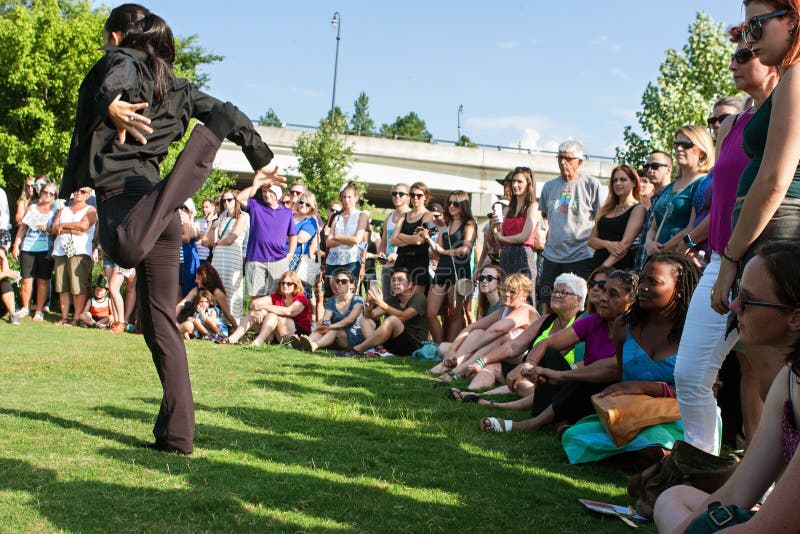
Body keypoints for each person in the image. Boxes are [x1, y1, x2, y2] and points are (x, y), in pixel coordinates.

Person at [59, 4, 278, 455]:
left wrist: (111, 106)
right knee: (159, 323)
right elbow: (229, 112)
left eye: (107, 39)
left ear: (117, 35)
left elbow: (110, 82)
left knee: (122, 248)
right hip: (162, 215)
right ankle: (177, 436)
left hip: (130, 205)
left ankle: (181, 181)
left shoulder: (119, 60)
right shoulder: (175, 86)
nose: (105, 47)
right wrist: (262, 156)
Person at [676, 24, 780, 455]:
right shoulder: (732, 125)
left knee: (776, 382)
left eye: (745, 55)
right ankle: (702, 467)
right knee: (692, 374)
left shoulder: (782, 115)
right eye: (734, 56)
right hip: (721, 259)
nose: (734, 63)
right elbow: (722, 201)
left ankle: (766, 488)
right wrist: (691, 240)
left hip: (761, 263)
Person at [654, 242, 800, 534]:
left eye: (748, 300)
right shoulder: (789, 378)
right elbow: (738, 492)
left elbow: (769, 527)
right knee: (674, 497)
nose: (734, 307)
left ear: (795, 317)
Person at [712, 0, 800, 399]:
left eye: (756, 27)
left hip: (776, 236)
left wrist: (731, 259)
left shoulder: (797, 75)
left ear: (792, 18)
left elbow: (774, 179)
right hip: (775, 236)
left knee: (780, 390)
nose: (750, 39)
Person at [562, 253, 700, 465]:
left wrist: (646, 388)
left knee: (654, 447)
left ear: (679, 290)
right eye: (642, 279)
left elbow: (706, 393)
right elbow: (620, 370)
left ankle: (644, 453)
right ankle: (639, 453)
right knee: (573, 437)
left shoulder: (693, 334)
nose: (643, 287)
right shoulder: (624, 325)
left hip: (678, 417)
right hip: (630, 413)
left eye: (653, 282)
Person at [480, 270, 637, 433]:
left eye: (613, 294)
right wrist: (528, 367)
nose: (603, 297)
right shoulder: (593, 321)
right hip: (578, 387)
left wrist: (558, 375)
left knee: (582, 378)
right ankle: (558, 422)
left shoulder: (634, 330)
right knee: (550, 356)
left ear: (631, 301)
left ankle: (532, 424)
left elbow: (612, 369)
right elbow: (547, 343)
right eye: (604, 291)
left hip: (609, 394)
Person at [450, 273, 587, 400]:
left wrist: (523, 369)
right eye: (555, 290)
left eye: (563, 292)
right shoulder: (547, 319)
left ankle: (477, 396)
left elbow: (552, 355)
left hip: (551, 376)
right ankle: (469, 391)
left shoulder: (581, 323)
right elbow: (514, 345)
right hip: (526, 370)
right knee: (492, 366)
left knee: (526, 385)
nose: (556, 295)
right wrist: (481, 362)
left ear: (578, 300)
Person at [430, 273, 539, 383]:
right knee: (472, 334)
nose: (506, 294)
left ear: (524, 295)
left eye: (512, 291)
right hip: (498, 353)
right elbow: (471, 327)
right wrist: (452, 350)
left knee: (500, 336)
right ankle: (447, 365)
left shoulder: (527, 311)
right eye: (505, 289)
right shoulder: (504, 310)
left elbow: (497, 330)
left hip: (522, 358)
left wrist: (471, 350)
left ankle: (457, 371)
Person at [538, 139, 602, 299]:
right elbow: (544, 216)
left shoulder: (591, 184)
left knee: (577, 302)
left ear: (579, 162)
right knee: (548, 300)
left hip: (580, 254)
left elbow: (600, 218)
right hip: (552, 255)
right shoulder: (549, 186)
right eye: (560, 158)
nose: (562, 162)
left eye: (567, 158)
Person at [644, 126, 714, 259]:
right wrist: (649, 242)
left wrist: (662, 250)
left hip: (677, 259)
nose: (678, 149)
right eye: (676, 144)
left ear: (701, 152)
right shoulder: (670, 186)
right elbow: (654, 224)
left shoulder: (704, 183)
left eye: (686, 145)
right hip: (653, 258)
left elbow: (692, 226)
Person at [422, 190, 477, 343]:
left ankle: (450, 350)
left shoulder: (469, 223)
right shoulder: (444, 223)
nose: (451, 206)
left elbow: (466, 249)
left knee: (454, 313)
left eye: (456, 203)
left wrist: (445, 251)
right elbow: (438, 249)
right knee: (431, 312)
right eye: (449, 203)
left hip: (459, 271)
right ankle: (440, 346)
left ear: (463, 205)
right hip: (442, 269)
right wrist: (428, 239)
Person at [340, 266, 427, 356]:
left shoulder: (419, 298)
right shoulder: (392, 300)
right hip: (394, 343)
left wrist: (381, 303)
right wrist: (369, 307)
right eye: (393, 280)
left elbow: (403, 316)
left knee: (392, 320)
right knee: (364, 320)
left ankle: (358, 349)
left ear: (410, 284)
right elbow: (371, 316)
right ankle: (379, 350)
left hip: (415, 345)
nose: (395, 283)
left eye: (400, 280)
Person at [236, 181, 296, 300]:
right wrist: (258, 184)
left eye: (270, 191)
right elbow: (239, 198)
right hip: (255, 259)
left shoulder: (287, 212)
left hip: (278, 259)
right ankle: (257, 319)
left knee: (279, 297)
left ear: (277, 194)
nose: (267, 195)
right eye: (264, 191)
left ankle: (272, 319)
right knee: (256, 298)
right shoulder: (255, 205)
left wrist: (290, 254)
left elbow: (292, 235)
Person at [493, 167, 546, 303]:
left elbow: (525, 236)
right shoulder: (507, 208)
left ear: (529, 184)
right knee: (507, 300)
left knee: (524, 300)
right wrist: (495, 230)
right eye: (513, 182)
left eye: (520, 182)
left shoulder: (533, 206)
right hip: (506, 256)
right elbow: (498, 242)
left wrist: (502, 238)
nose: (515, 185)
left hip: (523, 256)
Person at [11, 181, 58, 321]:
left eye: (51, 194)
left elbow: (57, 231)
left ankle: (39, 310)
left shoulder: (56, 211)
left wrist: (47, 229)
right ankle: (25, 307)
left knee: (43, 280)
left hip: (46, 249)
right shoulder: (31, 207)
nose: (47, 195)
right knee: (26, 279)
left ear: (54, 196)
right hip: (28, 247)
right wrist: (16, 245)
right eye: (45, 192)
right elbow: (23, 228)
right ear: (41, 192)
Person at [51, 187, 97, 326]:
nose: (78, 193)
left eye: (82, 191)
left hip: (80, 250)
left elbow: (83, 226)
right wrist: (73, 229)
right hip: (61, 250)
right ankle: (64, 317)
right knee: (62, 285)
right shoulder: (63, 209)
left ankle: (76, 317)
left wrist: (63, 226)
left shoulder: (91, 210)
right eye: (76, 190)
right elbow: (54, 227)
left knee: (78, 286)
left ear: (88, 194)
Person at [226, 271, 311, 346]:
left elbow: (289, 312)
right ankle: (233, 338)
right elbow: (253, 304)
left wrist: (264, 308)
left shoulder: (300, 298)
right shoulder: (277, 296)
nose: (285, 285)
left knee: (272, 315)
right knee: (253, 313)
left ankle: (258, 341)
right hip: (277, 333)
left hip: (297, 334)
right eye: (282, 283)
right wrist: (259, 311)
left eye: (289, 284)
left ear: (295, 286)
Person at [589, 165, 647, 270]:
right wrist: (607, 244)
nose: (618, 183)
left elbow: (624, 246)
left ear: (634, 183)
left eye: (623, 179)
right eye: (615, 180)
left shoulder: (638, 208)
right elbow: (591, 241)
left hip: (618, 269)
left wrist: (602, 269)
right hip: (596, 263)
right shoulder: (606, 208)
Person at [293, 268, 365, 353]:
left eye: (344, 281)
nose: (340, 284)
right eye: (337, 281)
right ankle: (303, 344)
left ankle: (314, 345)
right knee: (320, 330)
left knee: (333, 330)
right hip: (334, 334)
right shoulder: (332, 300)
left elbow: (350, 320)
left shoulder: (358, 300)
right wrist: (323, 324)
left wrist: (329, 327)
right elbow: (326, 318)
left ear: (352, 285)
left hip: (353, 337)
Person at [204, 189, 248, 324]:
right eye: (224, 200)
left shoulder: (243, 216)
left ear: (236, 201)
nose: (226, 203)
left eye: (229, 200)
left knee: (231, 289)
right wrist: (212, 224)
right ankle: (216, 321)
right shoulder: (221, 217)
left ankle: (233, 323)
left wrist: (218, 243)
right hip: (218, 257)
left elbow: (232, 238)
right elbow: (209, 241)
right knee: (217, 286)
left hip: (233, 256)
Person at [634, 152, 675, 271]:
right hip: (642, 268)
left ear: (669, 170)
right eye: (647, 167)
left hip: (661, 269)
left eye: (655, 166)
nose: (650, 170)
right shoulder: (654, 200)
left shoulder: (674, 197)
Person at [392, 182, 434, 293]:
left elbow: (419, 240)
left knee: (416, 300)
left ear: (425, 197)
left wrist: (401, 236)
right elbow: (393, 240)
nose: (415, 198)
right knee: (399, 297)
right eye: (412, 195)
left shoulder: (428, 215)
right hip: (401, 259)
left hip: (419, 260)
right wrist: (411, 239)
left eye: (419, 195)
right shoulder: (403, 215)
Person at [324, 182, 369, 284]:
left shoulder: (362, 216)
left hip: (351, 262)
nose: (346, 200)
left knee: (348, 294)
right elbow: (328, 243)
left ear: (356, 197)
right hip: (333, 260)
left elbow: (358, 240)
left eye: (349, 197)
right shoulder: (336, 217)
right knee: (332, 295)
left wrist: (338, 236)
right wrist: (349, 240)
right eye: (344, 197)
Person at [176, 263, 238, 330]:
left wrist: (238, 329)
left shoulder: (217, 293)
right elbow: (181, 305)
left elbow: (227, 313)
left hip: (208, 324)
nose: (195, 281)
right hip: (193, 322)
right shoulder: (196, 290)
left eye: (198, 279)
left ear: (205, 279)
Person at [378, 183, 411, 301]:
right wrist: (381, 255)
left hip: (405, 266)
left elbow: (415, 243)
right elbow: (383, 242)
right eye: (394, 194)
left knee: (403, 302)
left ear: (408, 197)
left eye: (401, 194)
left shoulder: (412, 216)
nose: (397, 196)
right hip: (388, 266)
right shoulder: (389, 217)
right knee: (388, 301)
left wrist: (398, 255)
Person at [288, 190, 319, 296]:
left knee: (298, 292)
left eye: (307, 204)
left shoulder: (311, 221)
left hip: (298, 259)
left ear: (312, 207)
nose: (303, 205)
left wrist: (281, 238)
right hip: (282, 255)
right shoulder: (290, 216)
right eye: (301, 202)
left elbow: (301, 239)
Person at [0, 246, 20, 324]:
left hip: (1, 308)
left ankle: (13, 315)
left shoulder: (6, 269)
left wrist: (4, 259)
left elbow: (13, 275)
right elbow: (8, 274)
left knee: (4, 283)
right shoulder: (7, 271)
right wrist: (6, 274)